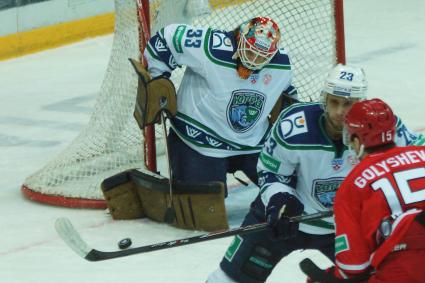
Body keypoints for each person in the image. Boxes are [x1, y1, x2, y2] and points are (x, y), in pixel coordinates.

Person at [206, 64, 425, 283]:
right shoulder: (294, 126)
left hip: (345, 228)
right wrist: (280, 198)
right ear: (324, 99)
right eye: (334, 102)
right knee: (229, 279)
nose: (340, 111)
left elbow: (418, 153)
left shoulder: (380, 125)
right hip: (286, 220)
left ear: (360, 102)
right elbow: (271, 173)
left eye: (348, 104)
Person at [143, 17, 297, 190]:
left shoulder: (281, 64)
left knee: (293, 190)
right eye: (251, 52)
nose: (254, 61)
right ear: (240, 38)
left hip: (253, 143)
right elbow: (167, 38)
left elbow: (287, 98)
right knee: (205, 208)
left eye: (262, 57)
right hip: (200, 141)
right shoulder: (213, 46)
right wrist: (157, 78)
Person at [303, 98, 425, 282]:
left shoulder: (353, 185)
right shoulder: (422, 153)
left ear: (356, 140)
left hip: (406, 270)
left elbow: (353, 266)